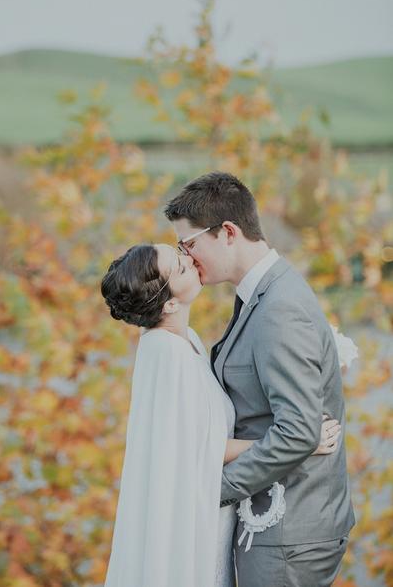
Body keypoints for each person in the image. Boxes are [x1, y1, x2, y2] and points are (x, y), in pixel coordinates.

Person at [101, 242, 342, 587]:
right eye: (180, 266)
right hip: (196, 524)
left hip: (218, 517)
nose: (189, 258)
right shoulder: (167, 353)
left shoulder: (190, 342)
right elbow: (199, 448)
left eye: (179, 251)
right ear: (170, 303)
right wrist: (300, 440)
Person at [164, 171, 356, 587]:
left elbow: (298, 431)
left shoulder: (279, 308)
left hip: (290, 534)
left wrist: (212, 490)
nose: (187, 255)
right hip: (276, 527)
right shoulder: (260, 294)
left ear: (228, 232)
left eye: (190, 244)